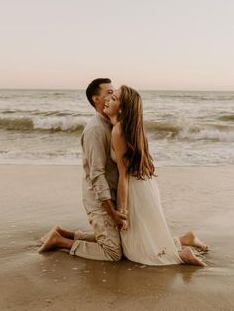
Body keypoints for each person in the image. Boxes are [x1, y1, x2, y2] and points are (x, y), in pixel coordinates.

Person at [103, 85, 209, 266]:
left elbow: (123, 175)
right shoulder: (131, 127)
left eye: (113, 99)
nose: (107, 99)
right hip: (144, 184)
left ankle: (183, 255)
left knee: (137, 251)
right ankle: (186, 239)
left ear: (122, 108)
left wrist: (124, 213)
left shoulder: (118, 131)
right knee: (146, 238)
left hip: (134, 189)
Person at [38, 78, 126, 261]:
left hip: (111, 195)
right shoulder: (95, 129)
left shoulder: (112, 123)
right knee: (113, 253)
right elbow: (97, 174)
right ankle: (60, 241)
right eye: (108, 93)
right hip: (100, 200)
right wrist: (111, 211)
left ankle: (63, 233)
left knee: (121, 243)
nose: (113, 95)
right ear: (96, 99)